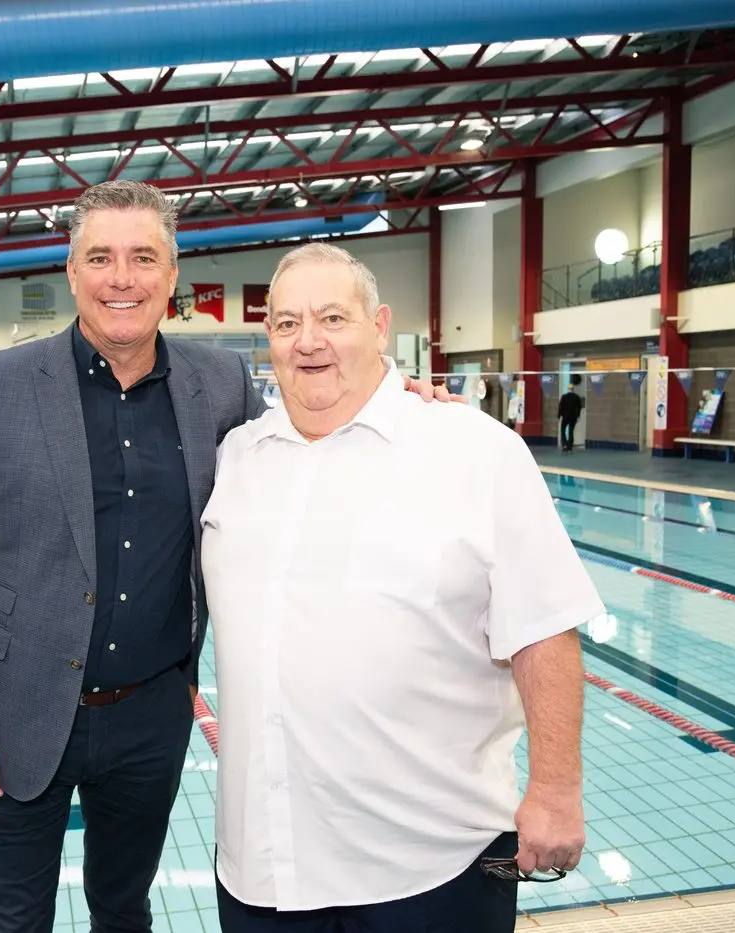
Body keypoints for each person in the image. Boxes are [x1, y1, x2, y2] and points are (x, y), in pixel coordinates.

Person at [0, 180, 457, 933]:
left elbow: (302, 443)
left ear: (172, 276)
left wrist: (397, 400)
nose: (122, 278)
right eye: (100, 257)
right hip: (17, 718)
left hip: (150, 716)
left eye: (143, 257)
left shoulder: (217, 382)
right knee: (11, 921)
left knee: (124, 906)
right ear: (72, 272)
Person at [200, 243, 605, 933]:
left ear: (380, 325)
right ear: (269, 339)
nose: (310, 341)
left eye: (333, 317)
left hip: (430, 866)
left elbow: (543, 627)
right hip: (264, 867)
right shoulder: (236, 456)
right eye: (288, 323)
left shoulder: (475, 451)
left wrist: (557, 788)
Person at [557, 378, 583, 452]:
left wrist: (559, 416)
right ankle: (570, 445)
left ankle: (564, 444)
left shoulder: (564, 397)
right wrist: (578, 416)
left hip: (565, 417)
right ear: (573, 389)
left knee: (563, 430)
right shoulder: (577, 397)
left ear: (568, 389)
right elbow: (579, 407)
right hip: (573, 417)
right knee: (571, 431)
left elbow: (561, 407)